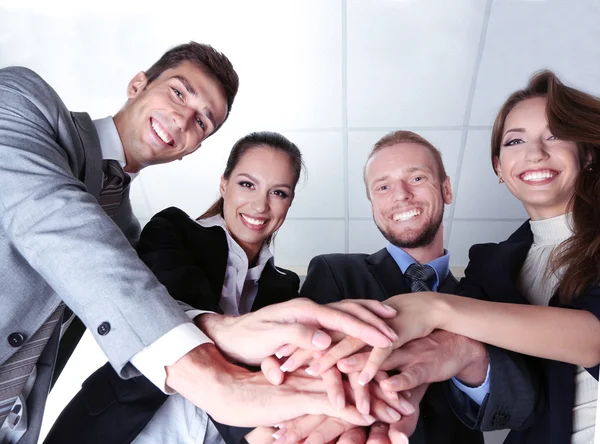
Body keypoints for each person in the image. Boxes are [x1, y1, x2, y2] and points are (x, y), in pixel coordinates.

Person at [0, 43, 396, 444]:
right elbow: (58, 224)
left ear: (194, 148)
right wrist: (215, 377)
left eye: (202, 123)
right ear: (137, 84)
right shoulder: (24, 101)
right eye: (178, 92)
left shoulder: (125, 231)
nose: (183, 119)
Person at [43, 131, 400, 444]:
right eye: (247, 184)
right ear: (224, 183)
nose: (260, 205)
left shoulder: (287, 288)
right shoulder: (174, 229)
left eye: (279, 192)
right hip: (124, 427)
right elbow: (179, 323)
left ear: (289, 202)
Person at [324, 71, 600, 444]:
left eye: (554, 135)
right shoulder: (489, 269)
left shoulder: (455, 297)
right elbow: (512, 391)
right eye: (515, 140)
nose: (535, 153)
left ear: (587, 153)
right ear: (499, 167)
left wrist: (435, 308)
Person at [267, 131, 541, 444]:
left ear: (446, 189)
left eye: (417, 178)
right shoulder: (335, 271)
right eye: (383, 186)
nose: (401, 195)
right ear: (373, 206)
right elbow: (302, 372)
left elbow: (522, 409)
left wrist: (473, 359)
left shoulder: (480, 296)